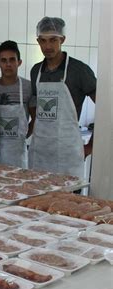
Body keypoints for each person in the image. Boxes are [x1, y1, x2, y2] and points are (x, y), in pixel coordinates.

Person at [29, 17, 96, 178]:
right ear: (38, 41)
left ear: (62, 40)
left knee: (68, 202)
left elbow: (106, 108)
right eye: (43, 40)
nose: (48, 46)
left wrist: (91, 146)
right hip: (40, 155)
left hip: (68, 156)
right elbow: (34, 106)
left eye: (53, 40)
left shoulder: (79, 70)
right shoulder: (36, 71)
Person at [0, 40, 35, 168]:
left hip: (18, 154)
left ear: (19, 62)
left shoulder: (28, 87)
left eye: (12, 60)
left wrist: (23, 136)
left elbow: (35, 118)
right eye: (4, 60)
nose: (8, 64)